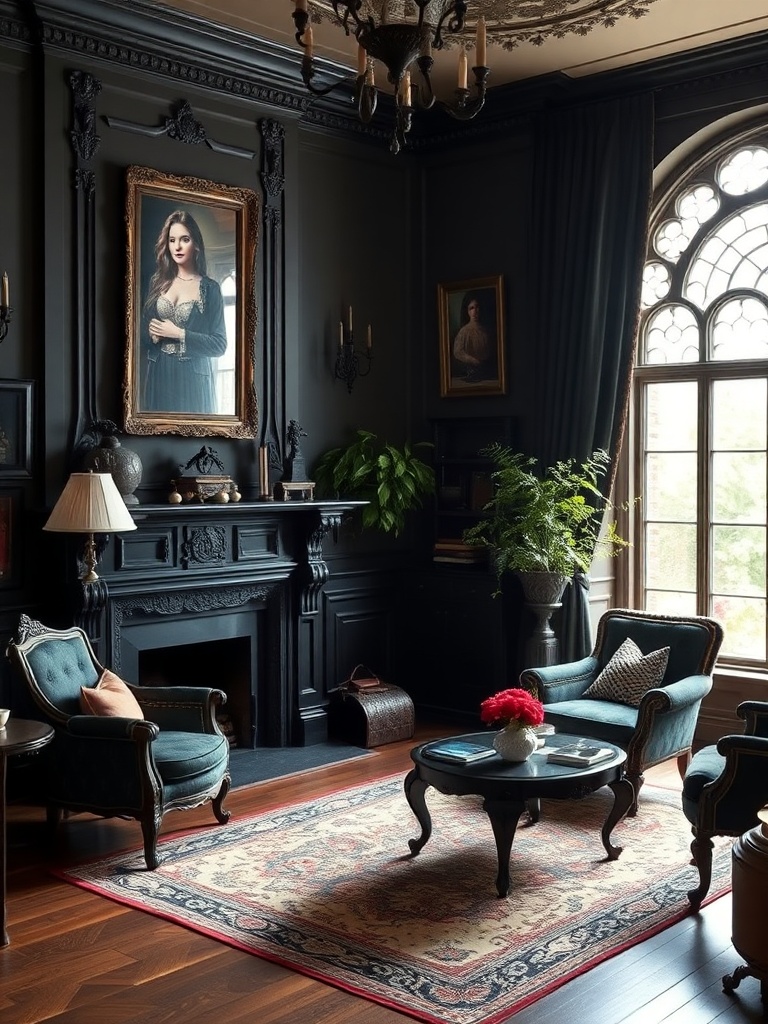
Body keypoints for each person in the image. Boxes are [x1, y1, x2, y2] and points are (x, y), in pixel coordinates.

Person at [141, 209, 228, 414]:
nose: (177, 246)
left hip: (193, 378)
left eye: (184, 239)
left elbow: (219, 345)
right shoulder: (156, 282)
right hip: (159, 373)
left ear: (196, 244)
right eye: (172, 240)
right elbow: (140, 333)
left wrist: (179, 334)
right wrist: (151, 335)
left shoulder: (210, 288)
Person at [452, 291, 496, 383]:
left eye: (477, 307)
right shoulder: (464, 332)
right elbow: (457, 352)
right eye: (471, 308)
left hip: (486, 373)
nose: (475, 311)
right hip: (471, 372)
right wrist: (473, 360)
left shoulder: (486, 331)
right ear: (467, 311)